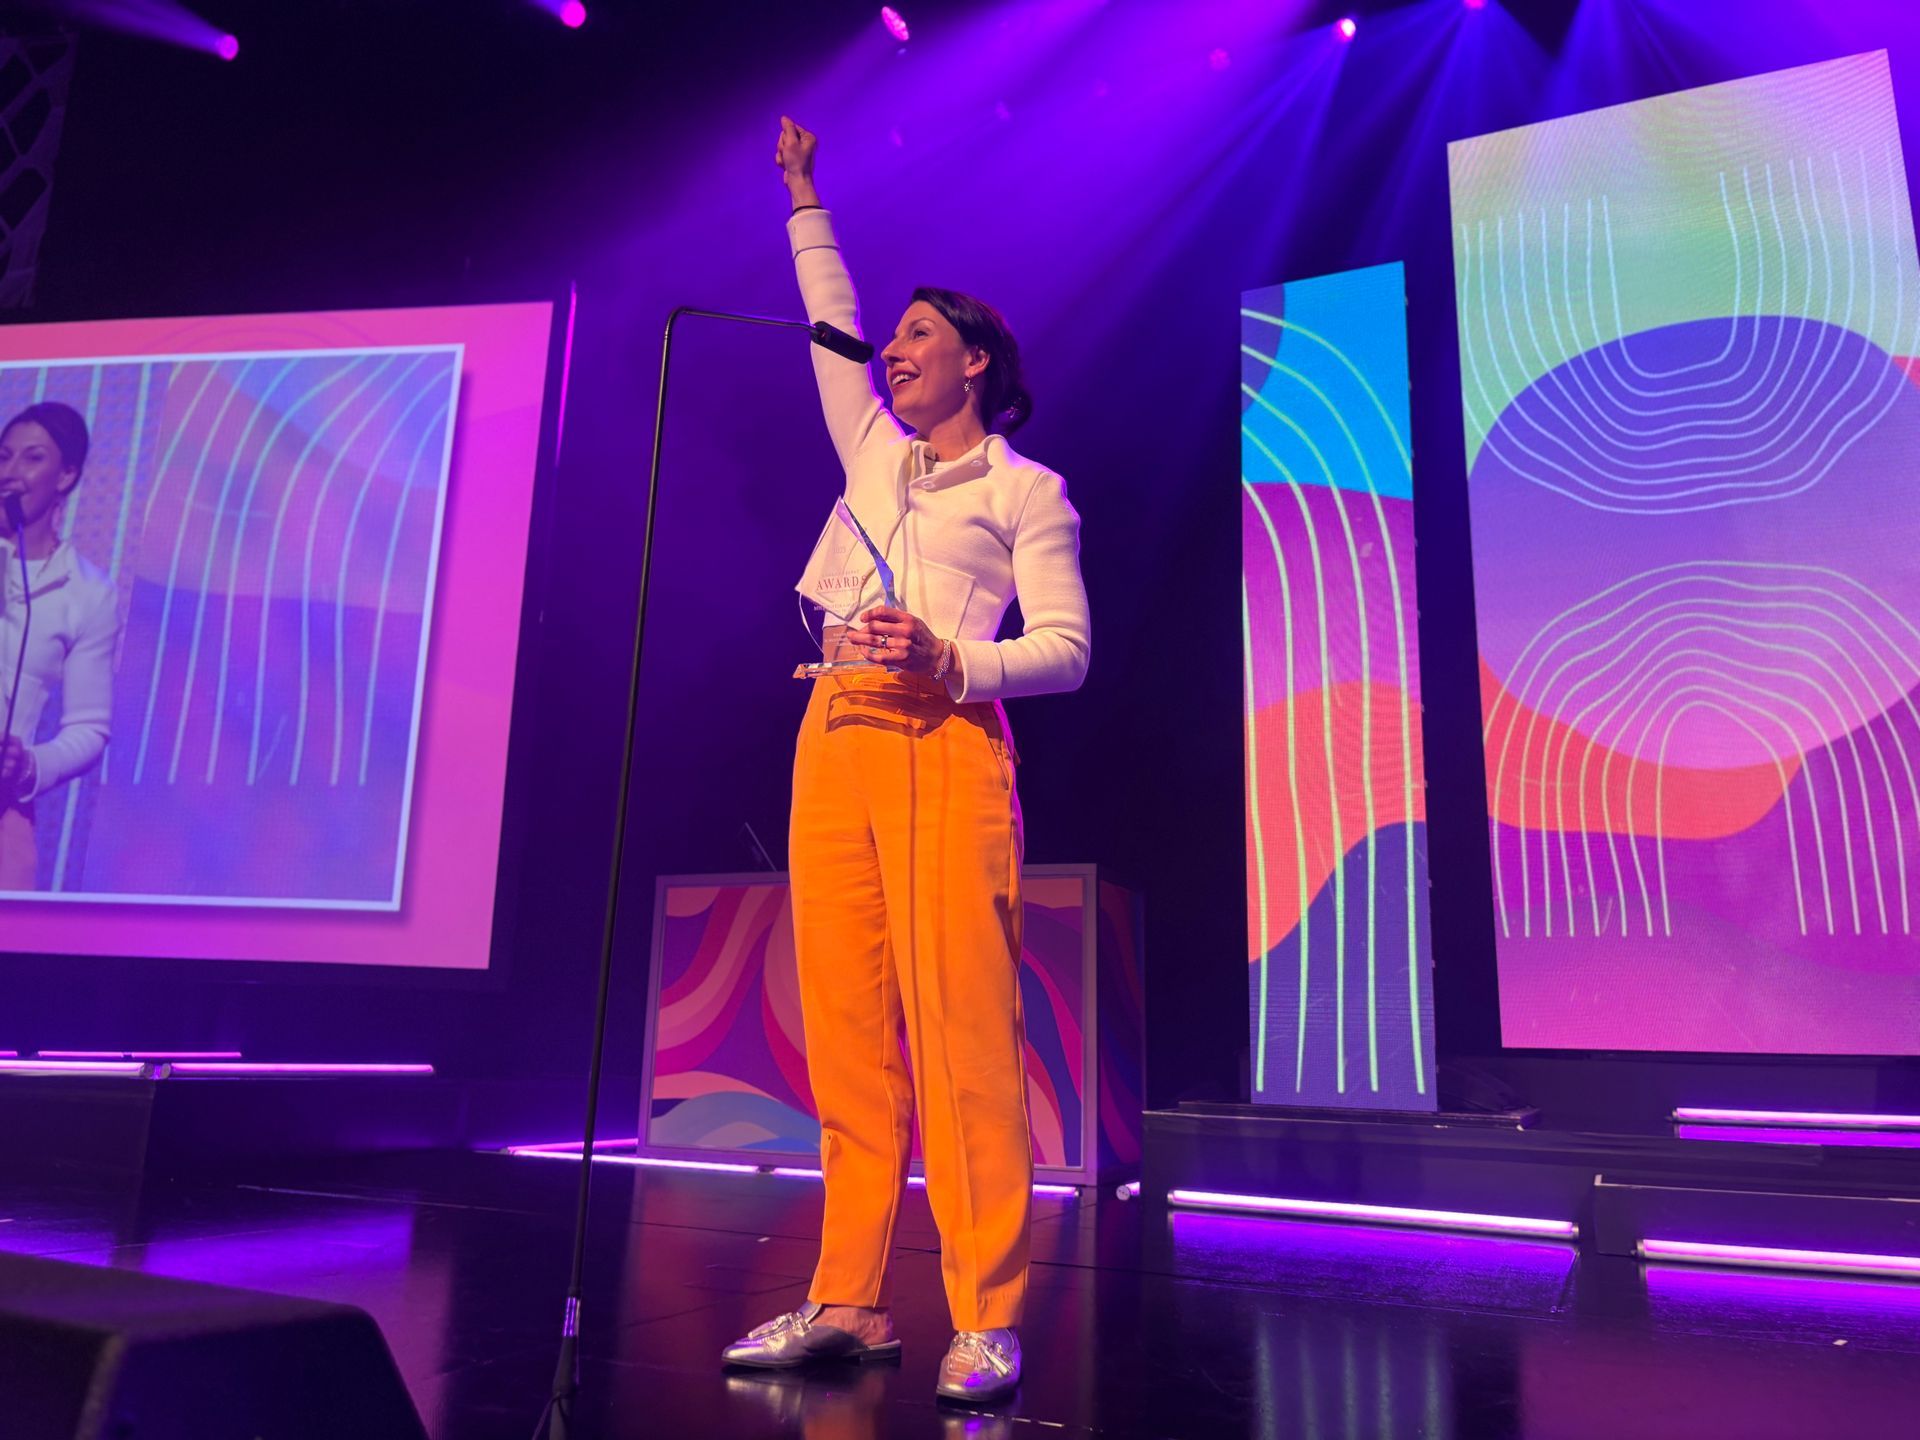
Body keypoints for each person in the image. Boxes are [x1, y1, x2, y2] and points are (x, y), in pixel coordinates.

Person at [722, 117, 1091, 1405]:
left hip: (946, 740)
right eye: (899, 339)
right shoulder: (874, 453)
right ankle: (850, 1298)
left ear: (975, 361)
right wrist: (804, 198)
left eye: (922, 337)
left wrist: (954, 662)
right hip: (834, 732)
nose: (896, 351)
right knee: (846, 1032)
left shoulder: (1023, 490)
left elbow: (1067, 650)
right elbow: (832, 327)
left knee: (960, 1035)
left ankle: (985, 1311)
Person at [0, 401, 118, 891]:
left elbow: (89, 727)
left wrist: (30, 764)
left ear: (66, 474)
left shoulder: (87, 591)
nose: (11, 473)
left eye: (32, 458)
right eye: (4, 456)